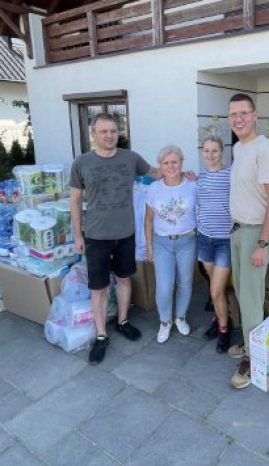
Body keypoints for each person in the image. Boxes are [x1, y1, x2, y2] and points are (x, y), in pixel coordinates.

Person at [69, 113, 190, 364]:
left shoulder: (130, 158)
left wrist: (181, 172)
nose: (109, 135)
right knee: (99, 288)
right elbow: (75, 201)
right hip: (96, 235)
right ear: (94, 135)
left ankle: (123, 321)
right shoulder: (82, 163)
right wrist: (77, 234)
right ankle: (101, 335)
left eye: (113, 131)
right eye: (103, 131)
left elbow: (157, 172)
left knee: (124, 280)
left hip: (125, 234)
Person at [226, 93, 269, 389]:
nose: (238, 119)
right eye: (233, 114)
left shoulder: (265, 149)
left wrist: (262, 244)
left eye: (243, 113)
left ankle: (252, 358)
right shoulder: (238, 148)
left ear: (255, 115)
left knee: (250, 298)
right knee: (241, 291)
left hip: (254, 233)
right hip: (237, 229)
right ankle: (250, 342)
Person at [144, 145, 198, 343]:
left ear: (181, 163)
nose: (171, 166)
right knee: (165, 287)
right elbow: (148, 219)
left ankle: (180, 317)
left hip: (187, 241)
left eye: (174, 162)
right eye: (166, 163)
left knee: (185, 282)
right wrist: (149, 246)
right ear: (160, 165)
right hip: (162, 244)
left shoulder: (192, 185)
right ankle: (165, 321)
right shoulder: (154, 188)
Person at [195, 135, 233, 353]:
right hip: (204, 238)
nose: (210, 155)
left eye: (214, 151)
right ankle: (219, 318)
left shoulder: (231, 175)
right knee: (214, 287)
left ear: (222, 152)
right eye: (206, 151)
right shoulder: (199, 177)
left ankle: (224, 329)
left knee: (216, 290)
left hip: (224, 241)